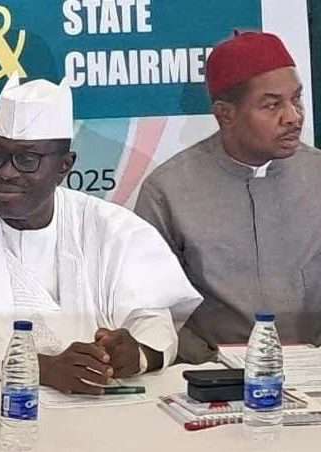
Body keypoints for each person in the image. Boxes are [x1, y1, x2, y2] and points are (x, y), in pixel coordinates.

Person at [0, 76, 202, 394]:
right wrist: (40, 367)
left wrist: (137, 354)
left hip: (105, 401)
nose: (6, 172)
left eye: (26, 159)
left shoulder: (111, 228)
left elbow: (152, 317)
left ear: (65, 165)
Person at [135, 32, 318, 363]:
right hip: (209, 373)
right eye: (272, 105)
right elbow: (150, 306)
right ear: (225, 114)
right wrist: (206, 360)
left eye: (297, 99)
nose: (293, 116)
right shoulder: (168, 191)